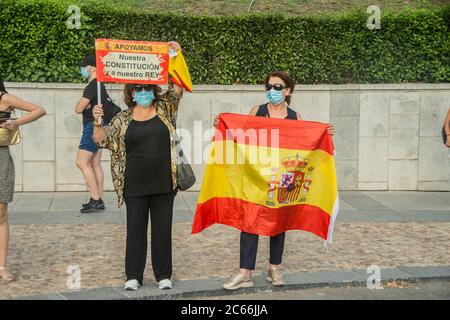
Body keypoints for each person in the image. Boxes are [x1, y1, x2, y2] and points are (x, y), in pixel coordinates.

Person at [213, 71, 335, 290]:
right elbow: (241, 138)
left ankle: (274, 268)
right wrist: (223, 125)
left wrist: (325, 133)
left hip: (282, 178)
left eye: (278, 87)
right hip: (256, 176)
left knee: (280, 221)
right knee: (249, 221)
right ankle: (245, 272)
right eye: (269, 86)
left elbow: (305, 143)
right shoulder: (256, 112)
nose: (272, 91)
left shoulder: (295, 117)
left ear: (288, 91)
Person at [92, 42, 184, 291]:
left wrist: (175, 55)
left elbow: (178, 86)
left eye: (146, 88)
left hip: (165, 182)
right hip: (133, 183)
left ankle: (164, 274)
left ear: (153, 90)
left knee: (162, 231)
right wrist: (97, 122)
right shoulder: (122, 118)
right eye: (138, 89)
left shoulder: (166, 109)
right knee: (135, 231)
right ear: (131, 93)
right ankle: (133, 275)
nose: (143, 92)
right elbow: (103, 141)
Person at [0, 79, 46, 283]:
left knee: (0, 214)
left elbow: (39, 110)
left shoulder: (5, 98)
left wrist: (15, 122)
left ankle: (1, 266)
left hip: (1, 159)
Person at [75, 54, 108, 213]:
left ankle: (96, 199)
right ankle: (98, 199)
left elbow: (78, 108)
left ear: (92, 68)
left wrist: (84, 106)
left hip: (92, 126)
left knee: (81, 162)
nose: (83, 69)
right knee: (95, 163)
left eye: (84, 66)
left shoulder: (93, 85)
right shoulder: (100, 85)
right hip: (100, 125)